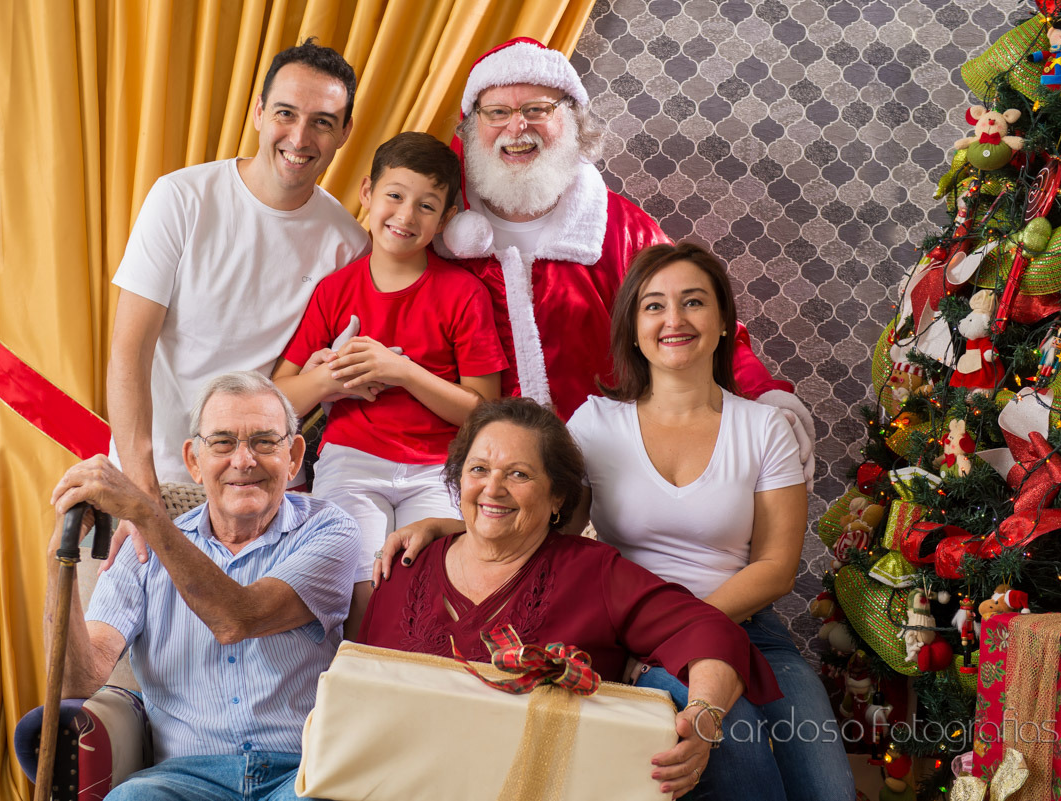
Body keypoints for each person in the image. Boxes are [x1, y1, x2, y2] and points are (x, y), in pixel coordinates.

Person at [433, 37, 815, 486]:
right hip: (452, 478)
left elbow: (695, 324)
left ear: (572, 119)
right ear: (471, 125)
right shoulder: (432, 226)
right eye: (497, 112)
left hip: (597, 478)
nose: (517, 128)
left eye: (538, 109)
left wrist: (762, 393)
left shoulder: (623, 231)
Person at [359, 397, 782, 800]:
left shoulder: (594, 572)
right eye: (479, 469)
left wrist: (703, 715)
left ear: (557, 496)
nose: (493, 488)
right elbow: (361, 699)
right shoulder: (405, 566)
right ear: (458, 478)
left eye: (519, 474)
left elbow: (709, 631)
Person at [563, 243, 855, 801]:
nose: (674, 319)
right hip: (641, 637)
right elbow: (552, 536)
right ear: (631, 327)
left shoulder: (766, 426)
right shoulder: (594, 424)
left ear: (723, 323)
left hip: (749, 627)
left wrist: (686, 623)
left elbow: (775, 568)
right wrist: (446, 529)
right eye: (654, 306)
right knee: (738, 744)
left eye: (693, 302)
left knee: (826, 788)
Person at [104, 38, 370, 569]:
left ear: (344, 133)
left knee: (247, 647)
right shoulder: (181, 199)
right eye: (286, 113)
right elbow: (128, 353)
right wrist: (140, 492)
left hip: (259, 493)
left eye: (322, 121)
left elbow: (313, 384)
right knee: (135, 648)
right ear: (258, 113)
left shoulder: (347, 244)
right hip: (157, 476)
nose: (299, 137)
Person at [46, 372, 359, 800]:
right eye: (223, 443)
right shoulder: (142, 549)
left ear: (294, 455)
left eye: (265, 441)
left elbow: (238, 618)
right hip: (182, 779)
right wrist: (55, 561)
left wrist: (147, 515)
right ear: (194, 460)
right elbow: (78, 682)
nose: (244, 460)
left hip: (303, 774)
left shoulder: (329, 530)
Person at [273, 131, 507, 638]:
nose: (405, 215)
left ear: (445, 220)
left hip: (438, 468)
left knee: (422, 590)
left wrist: (400, 371)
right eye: (394, 196)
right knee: (357, 587)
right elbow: (279, 399)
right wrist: (333, 377)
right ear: (367, 193)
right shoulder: (336, 290)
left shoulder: (463, 294)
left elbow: (484, 412)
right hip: (352, 460)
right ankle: (351, 689)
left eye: (427, 206)